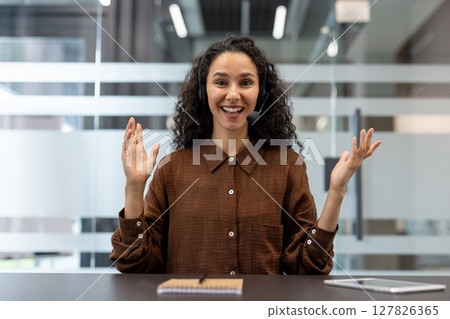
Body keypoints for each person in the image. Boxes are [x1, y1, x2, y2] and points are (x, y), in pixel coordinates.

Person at [110, 34, 381, 275]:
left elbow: (307, 267)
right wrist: (134, 188)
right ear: (204, 92)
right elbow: (135, 265)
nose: (233, 94)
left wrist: (337, 191)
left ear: (260, 93)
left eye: (246, 82)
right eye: (221, 82)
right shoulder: (172, 169)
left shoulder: (287, 167)